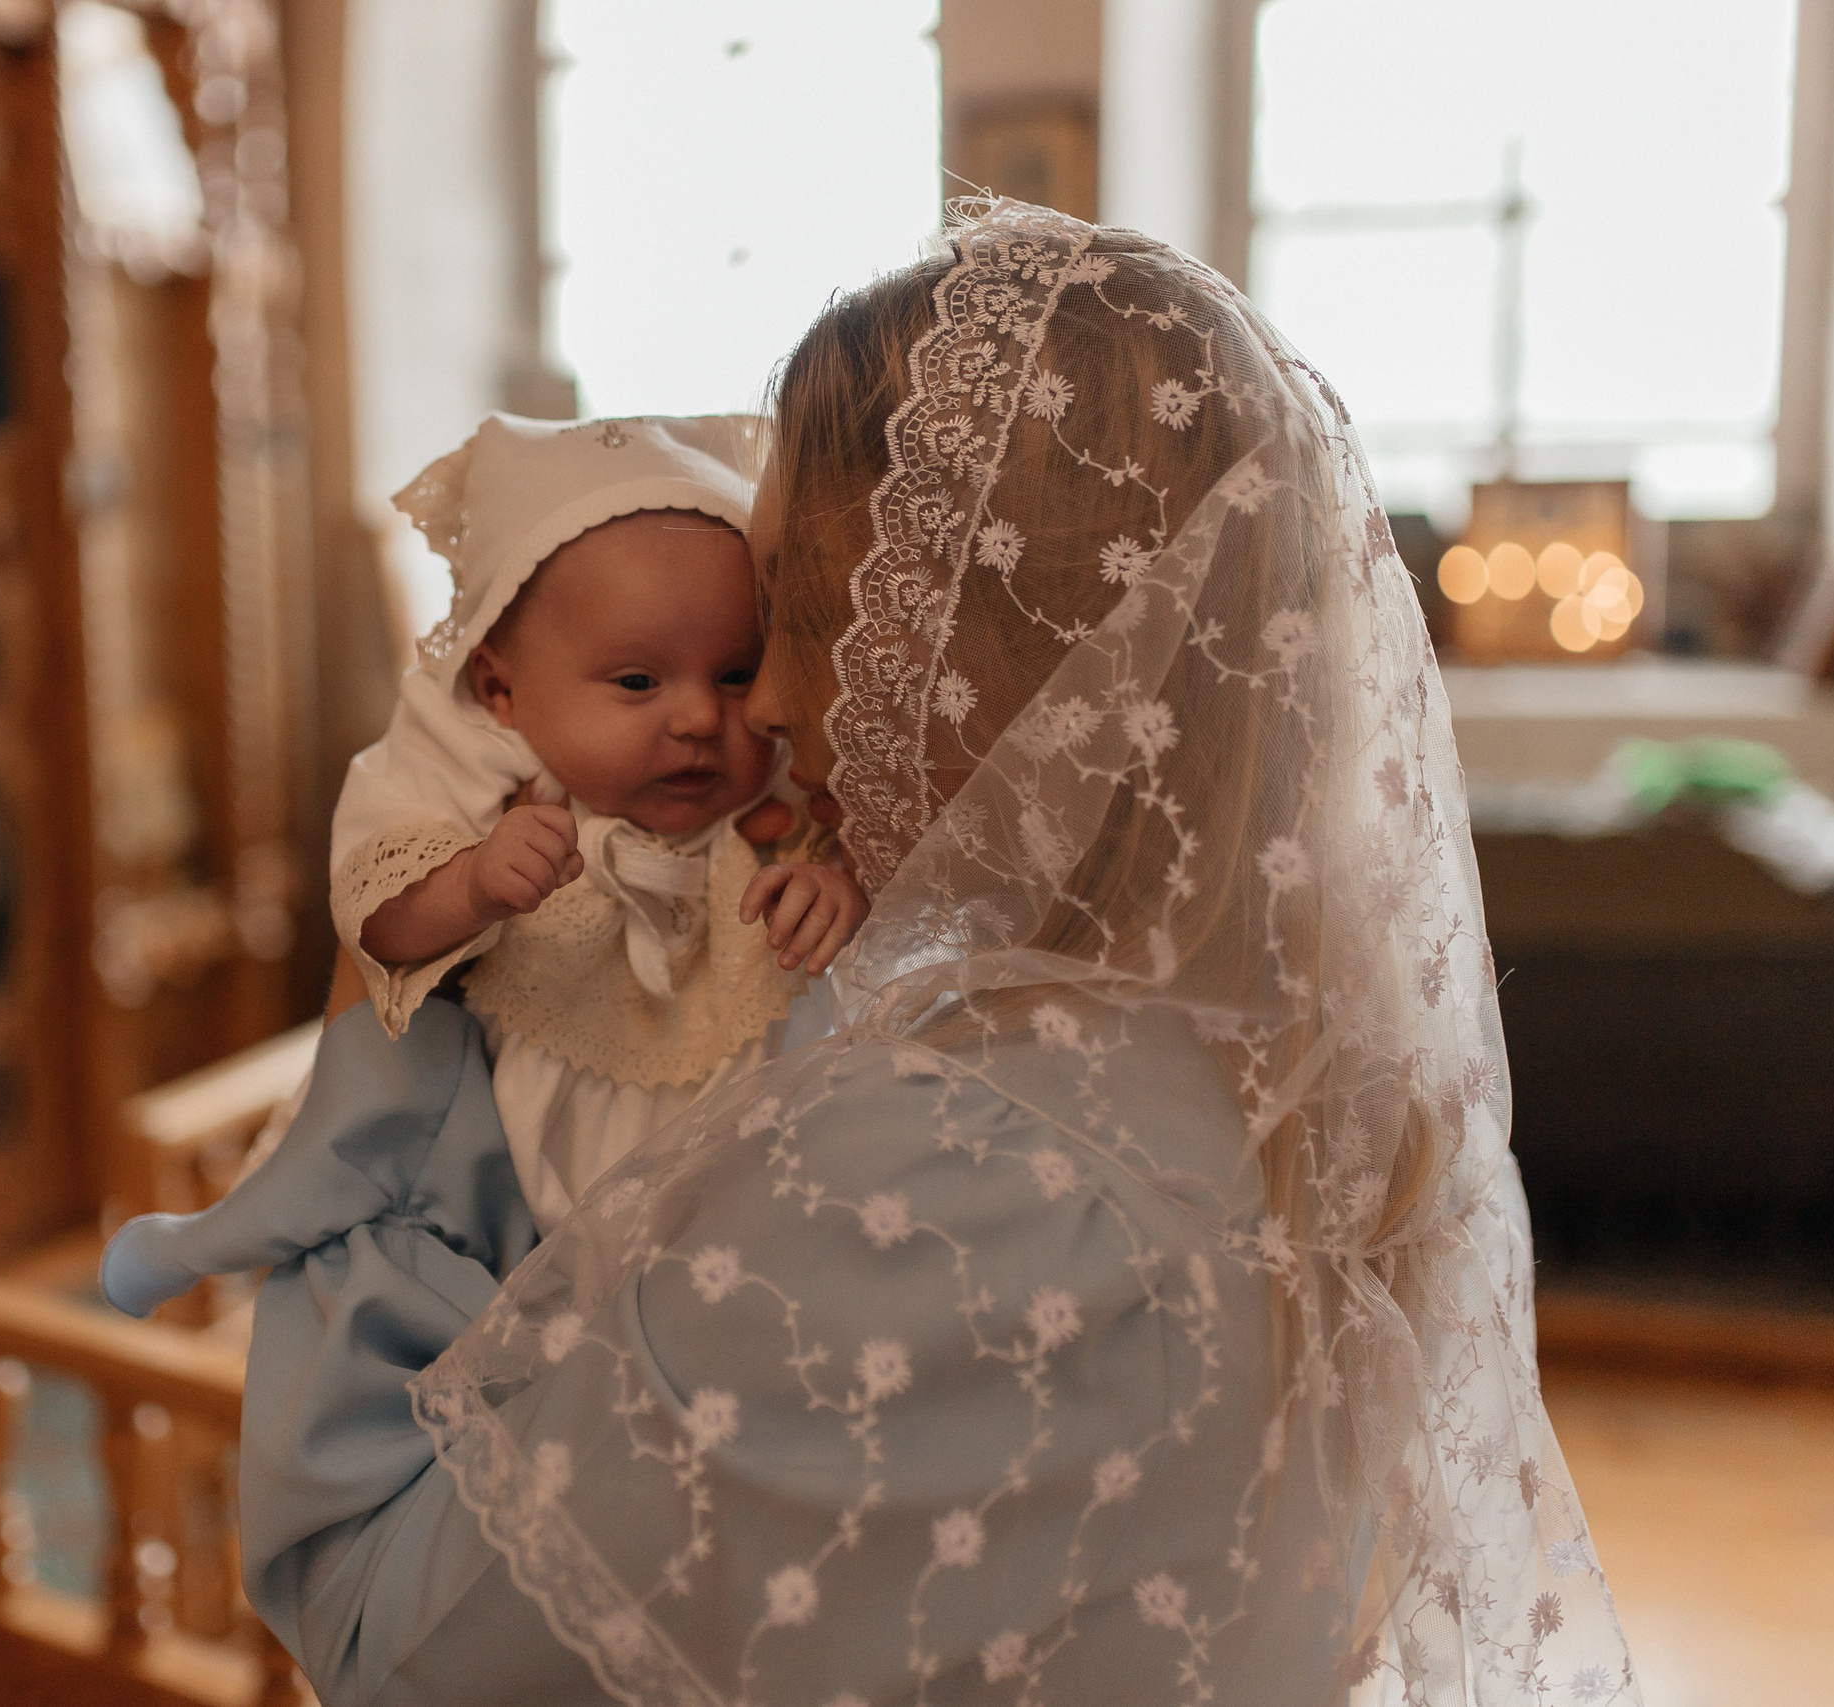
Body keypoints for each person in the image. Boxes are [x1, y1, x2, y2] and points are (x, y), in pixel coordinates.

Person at [234, 202, 1642, 1707]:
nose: (760, 701)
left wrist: (392, 1028)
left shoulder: (917, 1173)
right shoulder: (1292, 1082)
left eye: (801, 618)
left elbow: (396, 1629)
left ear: (965, 658)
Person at [101, 414, 867, 1313]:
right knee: (368, 1162)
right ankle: (216, 1237)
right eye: (637, 682)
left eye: (736, 674)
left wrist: (836, 889)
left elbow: (879, 896)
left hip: (735, 1162)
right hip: (524, 1170)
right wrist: (465, 884)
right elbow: (372, 915)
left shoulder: (782, 790)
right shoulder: (485, 769)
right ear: (502, 688)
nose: (701, 717)